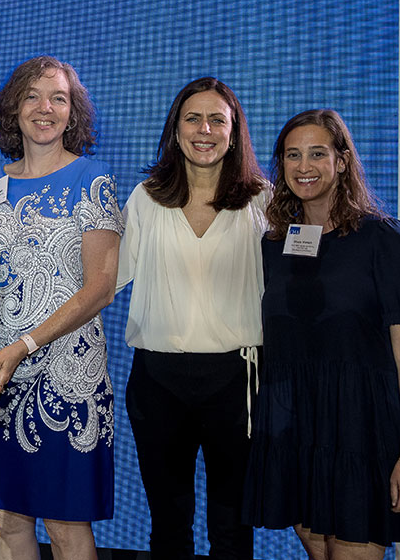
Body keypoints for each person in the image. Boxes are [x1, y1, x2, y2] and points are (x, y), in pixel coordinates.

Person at [243, 109, 400, 558]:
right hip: (297, 431)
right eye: (292, 155)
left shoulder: (388, 241)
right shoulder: (276, 244)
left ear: (342, 161)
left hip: (362, 431)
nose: (304, 166)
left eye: (318, 153)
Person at [0, 56, 123, 559]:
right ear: (13, 107)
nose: (45, 108)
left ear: (73, 114)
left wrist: (27, 343)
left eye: (58, 98)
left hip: (67, 379)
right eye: (32, 96)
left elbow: (102, 287)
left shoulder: (93, 178)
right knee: (7, 523)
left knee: (67, 530)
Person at [116, 77, 268, 559]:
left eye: (217, 120)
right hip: (158, 380)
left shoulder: (263, 200)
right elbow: (103, 280)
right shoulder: (146, 198)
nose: (204, 129)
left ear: (234, 130)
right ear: (175, 128)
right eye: (193, 118)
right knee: (167, 524)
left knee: (232, 526)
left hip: (236, 379)